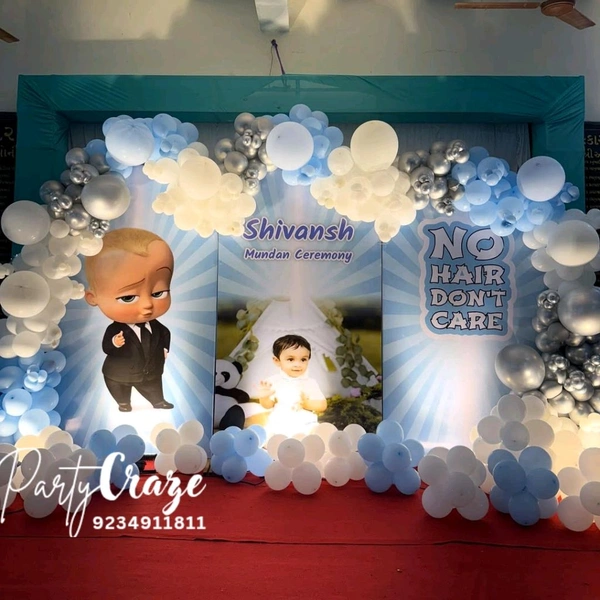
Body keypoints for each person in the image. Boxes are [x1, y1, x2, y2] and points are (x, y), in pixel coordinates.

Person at [84, 228, 174, 412]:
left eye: (158, 293)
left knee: (153, 387)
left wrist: (165, 348)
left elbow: (165, 334)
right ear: (93, 298)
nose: (147, 305)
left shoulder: (157, 327)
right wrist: (114, 343)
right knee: (119, 389)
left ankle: (158, 401)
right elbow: (106, 347)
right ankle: (123, 402)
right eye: (128, 297)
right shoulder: (115, 331)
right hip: (119, 373)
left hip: (151, 371)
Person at [256, 334, 327, 437]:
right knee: (269, 433)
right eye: (290, 359)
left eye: (303, 359)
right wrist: (264, 397)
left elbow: (322, 405)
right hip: (280, 423)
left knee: (315, 431)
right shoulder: (273, 381)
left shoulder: (310, 382)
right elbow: (268, 405)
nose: (298, 364)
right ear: (277, 361)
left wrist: (306, 404)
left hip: (305, 423)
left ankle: (312, 439)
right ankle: (276, 441)